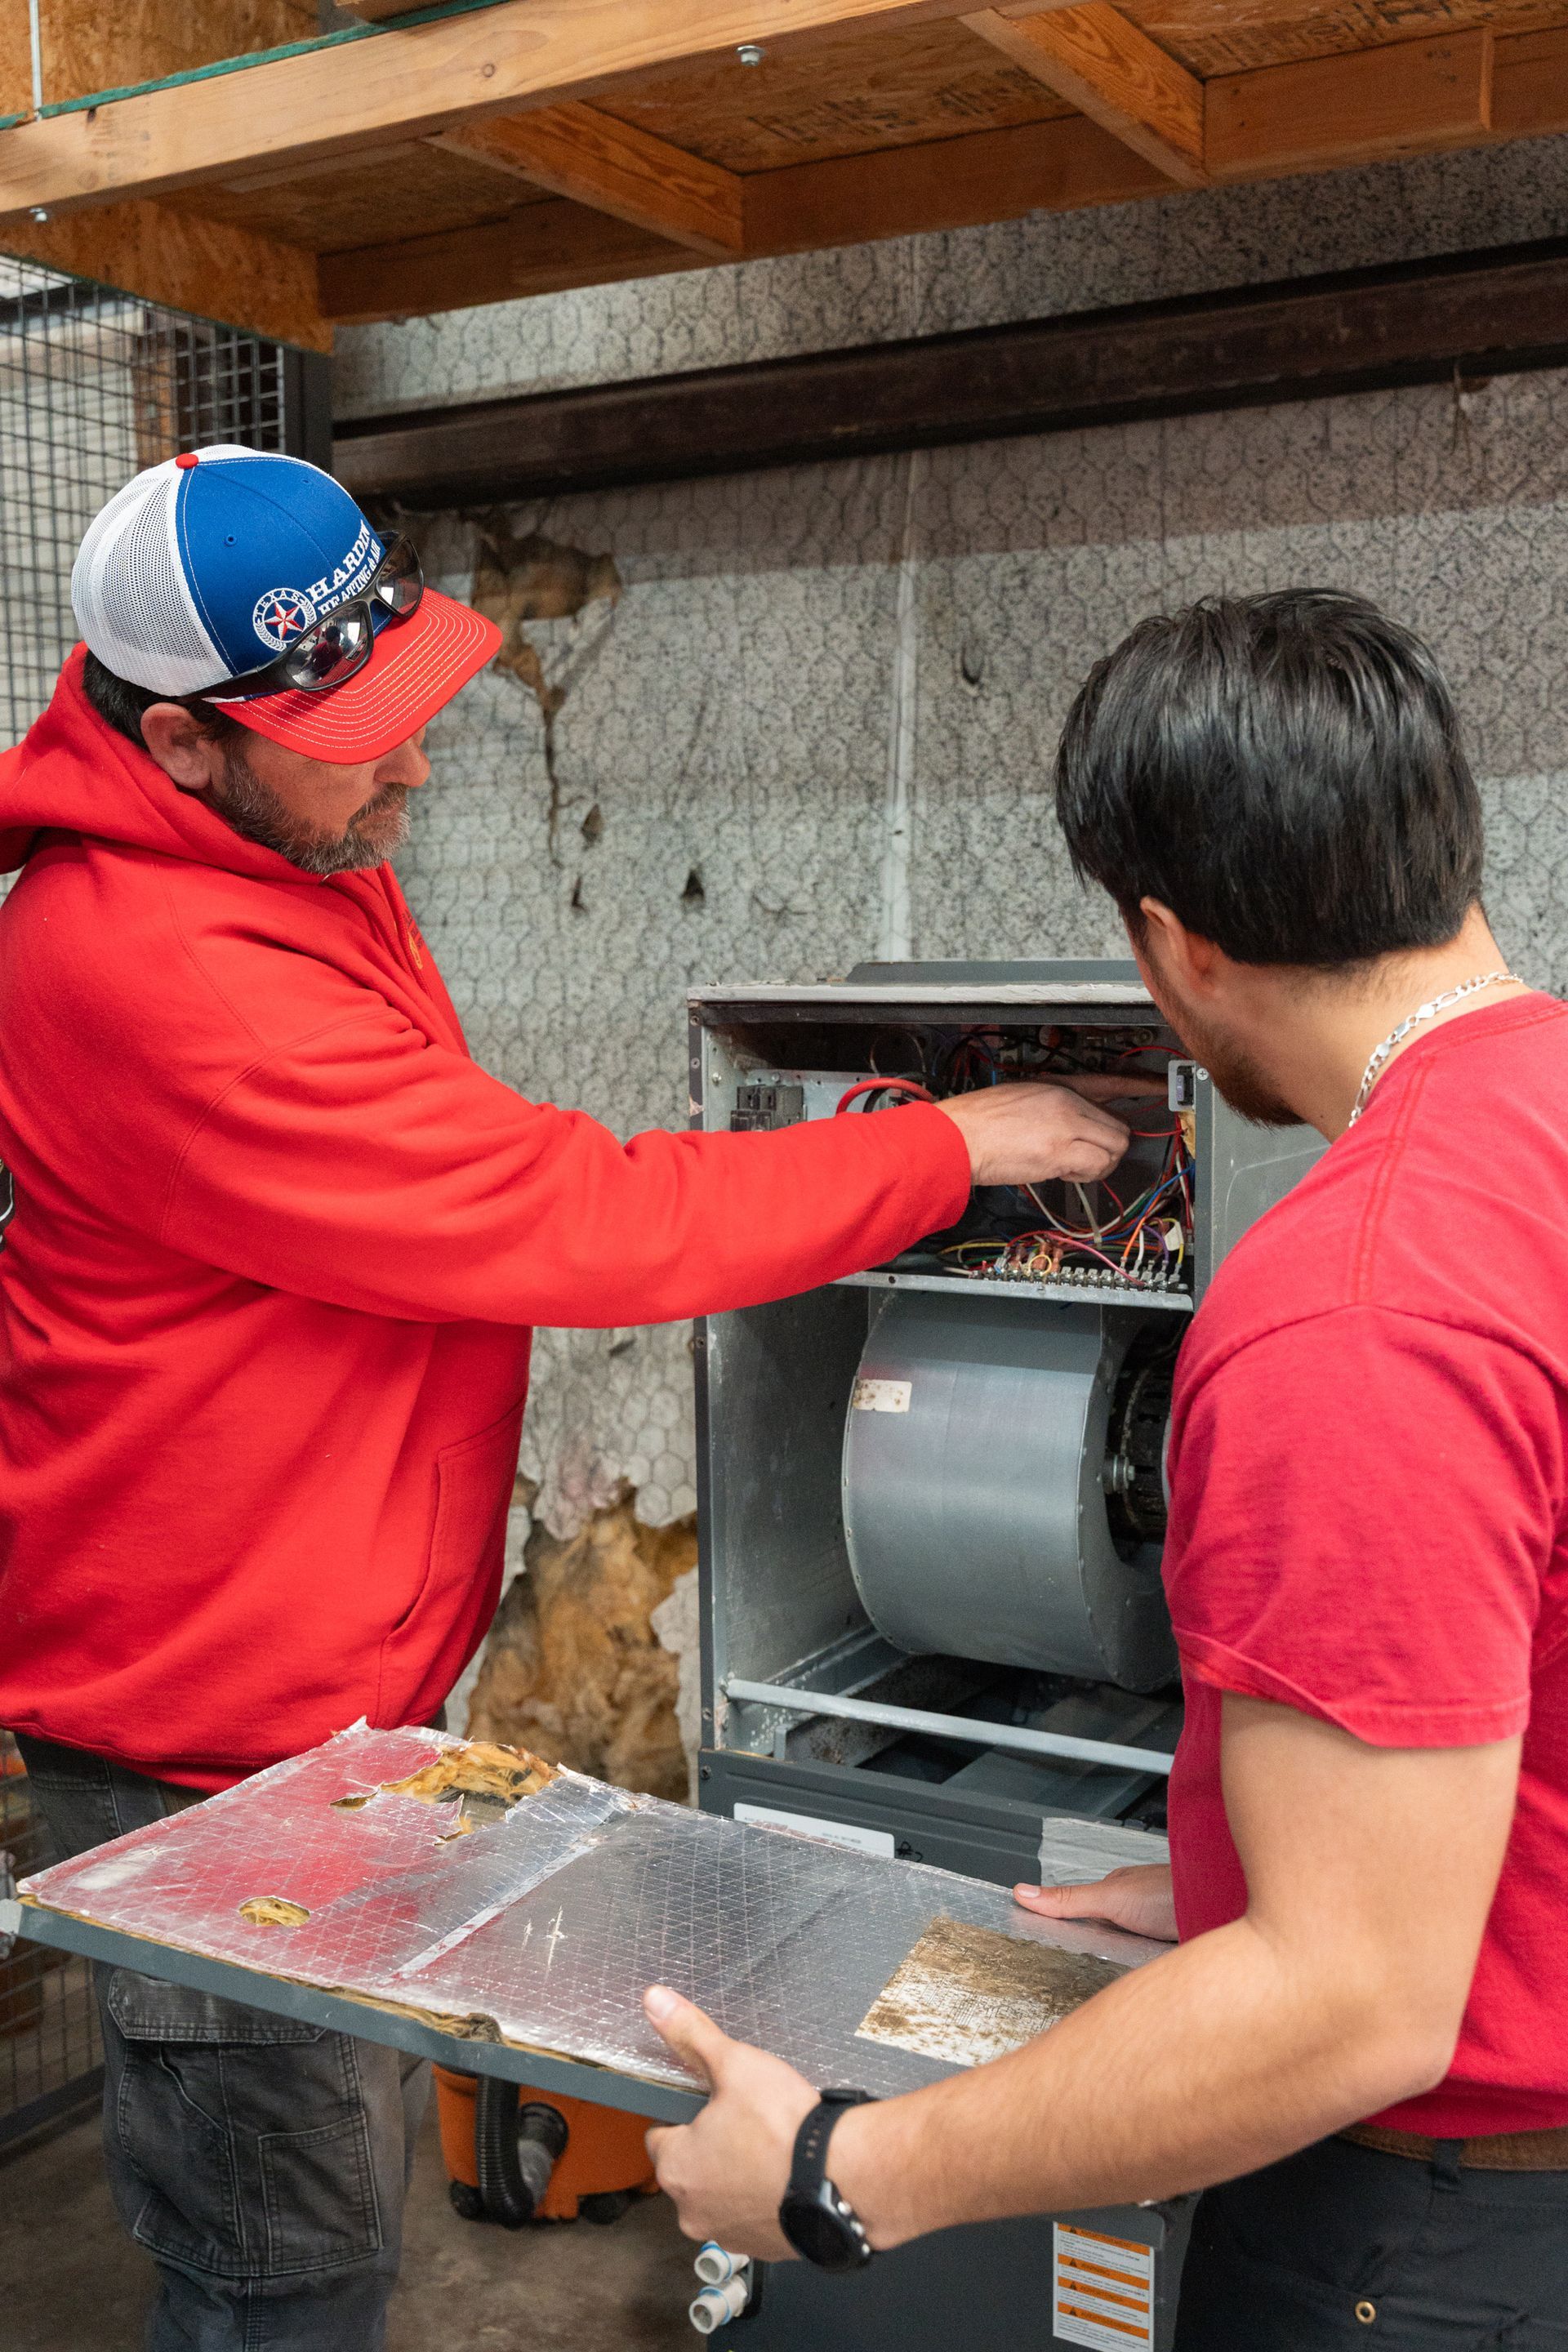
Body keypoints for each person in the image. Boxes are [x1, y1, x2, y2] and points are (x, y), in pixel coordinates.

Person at [0, 447, 1147, 2352]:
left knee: (324, 2208)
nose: (416, 767)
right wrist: (946, 1152)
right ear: (184, 744)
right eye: (355, 738)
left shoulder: (262, 849)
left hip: (311, 1695)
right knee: (285, 2272)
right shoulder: (146, 965)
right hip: (210, 1746)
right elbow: (564, 1214)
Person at [644, 587, 1568, 2346]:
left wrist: (841, 2171)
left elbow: (1352, 2005)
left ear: (1175, 948)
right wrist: (1253, 1864)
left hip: (1437, 2241)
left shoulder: (1354, 1309)